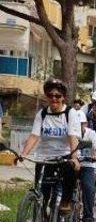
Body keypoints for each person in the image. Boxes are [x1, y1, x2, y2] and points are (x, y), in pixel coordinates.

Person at [19, 78, 81, 213]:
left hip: (64, 155)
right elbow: (34, 136)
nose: (54, 98)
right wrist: (23, 154)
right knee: (40, 193)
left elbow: (72, 136)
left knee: (70, 170)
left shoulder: (70, 113)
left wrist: (74, 157)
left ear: (63, 97)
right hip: (44, 157)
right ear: (46, 96)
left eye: (58, 96)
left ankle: (65, 201)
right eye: (50, 95)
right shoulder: (42, 114)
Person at [77, 114, 96, 222]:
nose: (77, 126)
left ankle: (88, 217)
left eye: (80, 124)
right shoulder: (67, 133)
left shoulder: (91, 134)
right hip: (71, 164)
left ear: (85, 124)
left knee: (88, 188)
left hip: (87, 165)